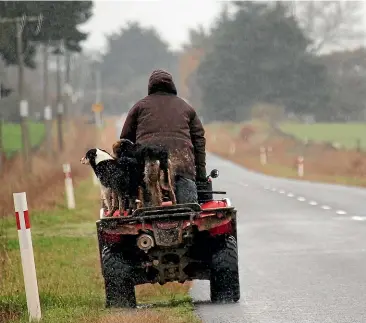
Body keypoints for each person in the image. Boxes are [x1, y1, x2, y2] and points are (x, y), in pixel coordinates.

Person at [120, 69, 206, 204]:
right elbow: (199, 141)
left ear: (150, 86)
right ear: (172, 85)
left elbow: (125, 142)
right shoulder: (186, 107)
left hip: (148, 167)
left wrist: (128, 177)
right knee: (189, 210)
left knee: (147, 212)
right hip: (182, 166)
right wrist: (201, 175)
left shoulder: (139, 107)